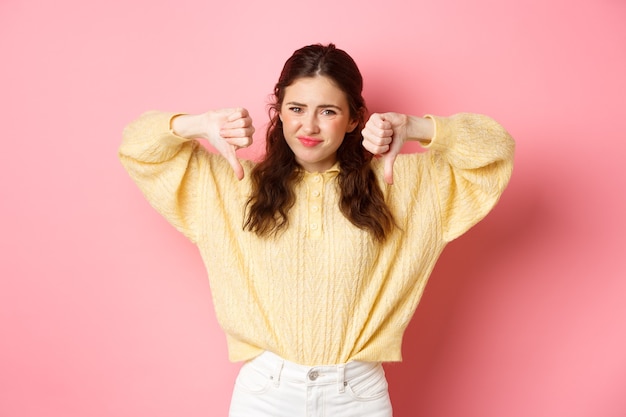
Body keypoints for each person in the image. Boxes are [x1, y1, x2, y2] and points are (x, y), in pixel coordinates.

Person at [119, 43, 515, 417]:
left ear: (354, 118)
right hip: (264, 395)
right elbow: (136, 147)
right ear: (279, 111)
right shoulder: (233, 183)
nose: (308, 126)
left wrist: (417, 128)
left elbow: (496, 151)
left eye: (328, 111)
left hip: (358, 395)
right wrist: (198, 124)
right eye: (296, 108)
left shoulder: (401, 184)